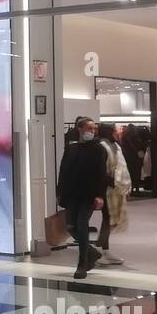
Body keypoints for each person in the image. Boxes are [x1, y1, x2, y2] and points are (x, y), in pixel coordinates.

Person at [57, 116, 108, 279]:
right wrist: (60, 192)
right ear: (80, 129)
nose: (92, 132)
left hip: (89, 194)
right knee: (70, 226)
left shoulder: (99, 149)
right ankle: (92, 253)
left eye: (94, 129)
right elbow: (63, 171)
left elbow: (102, 173)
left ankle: (82, 263)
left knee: (81, 224)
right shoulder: (71, 148)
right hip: (72, 193)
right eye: (89, 129)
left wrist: (100, 195)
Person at [96, 123, 130, 266]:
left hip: (113, 188)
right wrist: (113, 182)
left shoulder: (114, 146)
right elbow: (99, 171)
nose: (118, 133)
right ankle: (99, 250)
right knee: (107, 220)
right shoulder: (102, 147)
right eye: (116, 130)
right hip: (105, 189)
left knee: (110, 219)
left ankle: (105, 249)